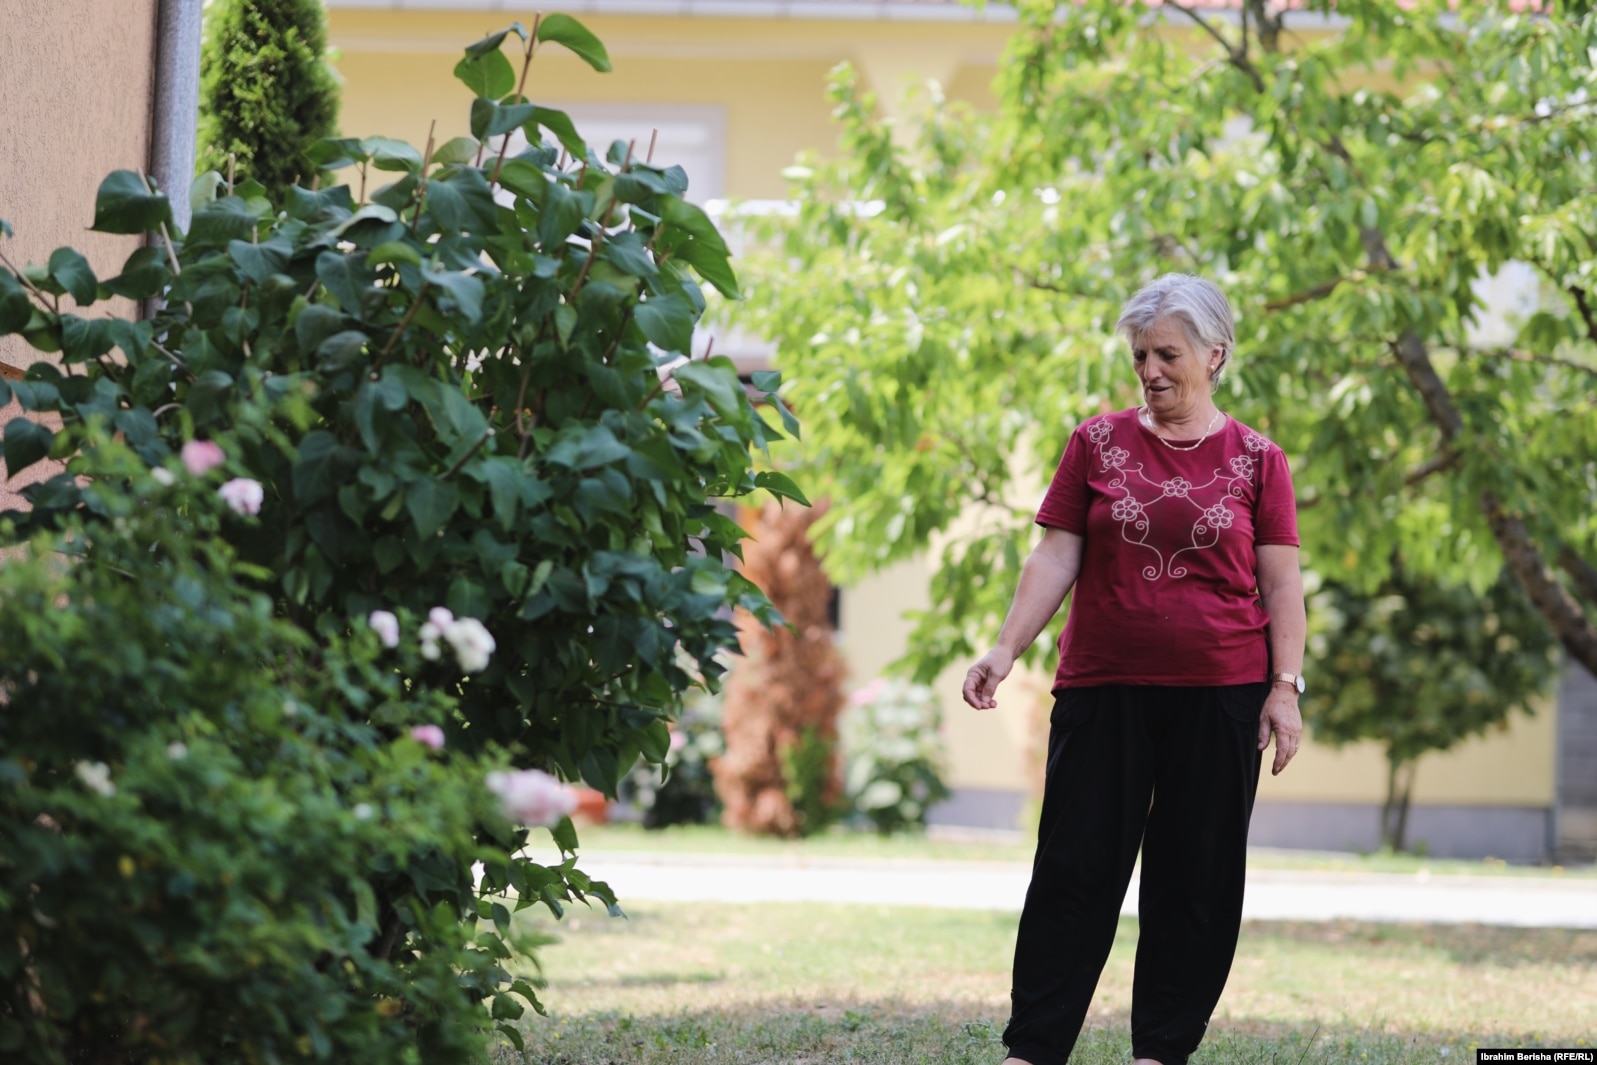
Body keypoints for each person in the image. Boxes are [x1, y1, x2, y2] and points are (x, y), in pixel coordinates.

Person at [962, 274, 1306, 1065]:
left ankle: (1158, 1052)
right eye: (1139, 355)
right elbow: (1055, 552)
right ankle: (1034, 1048)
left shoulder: (1258, 459)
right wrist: (1003, 647)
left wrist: (1283, 689)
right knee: (1072, 871)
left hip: (1221, 693)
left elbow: (1282, 582)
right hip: (1101, 685)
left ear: (1213, 355)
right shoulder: (1096, 442)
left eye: (1166, 354)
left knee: (1194, 880)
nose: (1149, 370)